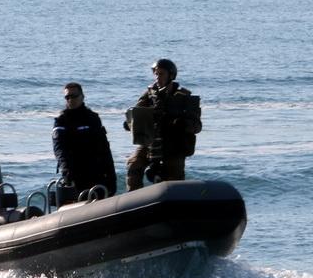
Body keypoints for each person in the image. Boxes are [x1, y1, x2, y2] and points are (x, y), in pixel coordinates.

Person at [123, 58, 201, 191]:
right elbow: (137, 113)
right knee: (134, 164)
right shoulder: (150, 94)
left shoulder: (184, 97)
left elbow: (197, 126)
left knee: (174, 176)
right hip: (151, 142)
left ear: (171, 75)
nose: (158, 77)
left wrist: (182, 124)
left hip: (174, 145)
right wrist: (130, 123)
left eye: (161, 74)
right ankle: (133, 198)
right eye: (156, 74)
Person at [51, 83, 117, 201]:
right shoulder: (61, 121)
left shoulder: (92, 118)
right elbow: (59, 149)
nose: (70, 99)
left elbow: (105, 148)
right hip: (75, 173)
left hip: (96, 171)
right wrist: (66, 171)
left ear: (82, 96)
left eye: (74, 96)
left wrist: (112, 175)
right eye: (67, 97)